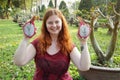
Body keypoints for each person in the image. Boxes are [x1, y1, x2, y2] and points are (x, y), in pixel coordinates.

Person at [14, 8, 91, 80]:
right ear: (45, 25)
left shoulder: (68, 44)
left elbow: (84, 67)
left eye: (57, 22)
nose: (54, 25)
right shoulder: (38, 43)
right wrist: (25, 39)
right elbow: (19, 62)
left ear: (62, 23)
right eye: (50, 22)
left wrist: (83, 43)